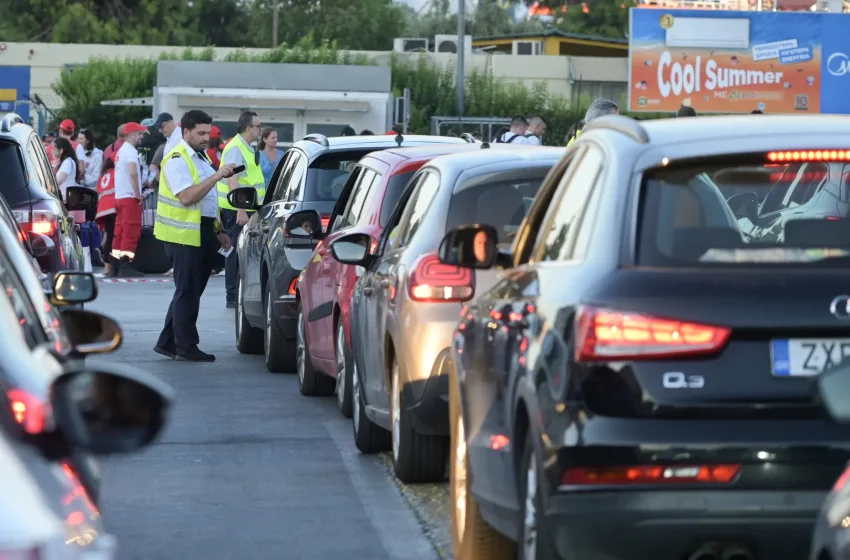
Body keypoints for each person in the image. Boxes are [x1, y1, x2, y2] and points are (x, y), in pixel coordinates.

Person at [153, 110, 238, 362]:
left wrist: (219, 230)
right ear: (185, 131)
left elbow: (208, 201)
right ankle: (185, 346)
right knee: (187, 291)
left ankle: (169, 341)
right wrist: (217, 175)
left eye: (207, 133)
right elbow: (188, 197)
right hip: (183, 234)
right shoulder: (178, 159)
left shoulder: (198, 158)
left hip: (199, 229)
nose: (205, 138)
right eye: (200, 133)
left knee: (189, 290)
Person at [217, 111, 265, 308]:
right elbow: (232, 179)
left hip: (245, 208)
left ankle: (237, 293)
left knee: (242, 251)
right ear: (248, 128)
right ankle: (232, 295)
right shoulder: (236, 148)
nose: (259, 130)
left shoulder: (245, 147)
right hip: (236, 209)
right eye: (258, 126)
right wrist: (241, 209)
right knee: (235, 251)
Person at [111, 122, 147, 278]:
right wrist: (138, 193)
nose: (141, 137)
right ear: (131, 133)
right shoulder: (131, 152)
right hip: (129, 197)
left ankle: (115, 265)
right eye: (139, 133)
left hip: (120, 196)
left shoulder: (121, 151)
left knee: (119, 232)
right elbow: (133, 173)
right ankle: (126, 264)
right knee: (131, 231)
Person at [96, 158, 118, 277]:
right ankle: (108, 264)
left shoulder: (104, 175)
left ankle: (107, 265)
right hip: (113, 206)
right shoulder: (116, 173)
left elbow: (98, 190)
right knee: (112, 235)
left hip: (103, 209)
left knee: (108, 233)